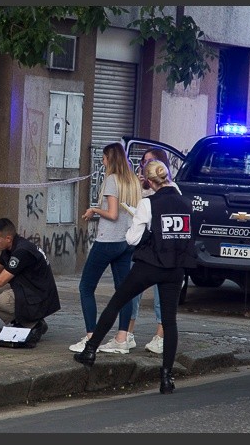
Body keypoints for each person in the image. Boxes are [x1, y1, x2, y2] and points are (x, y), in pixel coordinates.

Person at [73, 159, 197, 395]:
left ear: (149, 182)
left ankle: (90, 352)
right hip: (176, 268)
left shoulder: (148, 204)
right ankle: (166, 377)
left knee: (118, 302)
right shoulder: (186, 202)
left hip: (150, 264)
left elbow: (132, 239)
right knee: (169, 321)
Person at [69, 142, 141, 355]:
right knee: (124, 291)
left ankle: (91, 337)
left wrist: (94, 209)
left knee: (86, 287)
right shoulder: (133, 181)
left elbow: (112, 214)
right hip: (126, 242)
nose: (102, 161)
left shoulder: (112, 180)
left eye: (103, 158)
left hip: (108, 241)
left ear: (110, 159)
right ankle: (122, 338)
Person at [126, 147, 182, 354]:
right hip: (142, 247)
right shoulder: (140, 187)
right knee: (131, 292)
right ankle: (127, 333)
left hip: (162, 249)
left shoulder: (171, 188)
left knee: (162, 294)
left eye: (150, 161)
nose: (145, 165)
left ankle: (160, 335)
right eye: (143, 161)